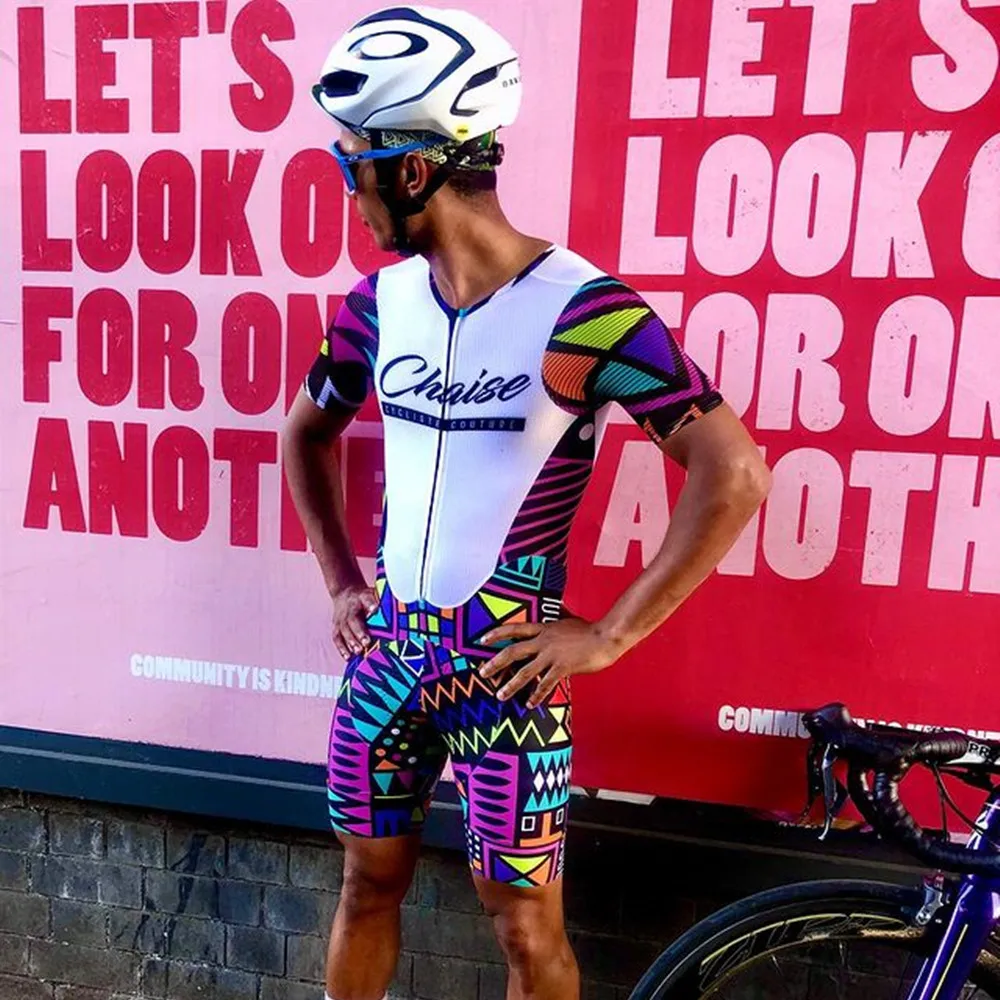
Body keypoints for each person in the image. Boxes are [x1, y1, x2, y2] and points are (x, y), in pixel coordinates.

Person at [283, 6, 771, 999]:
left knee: (523, 926)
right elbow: (305, 433)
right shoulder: (378, 305)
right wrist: (340, 581)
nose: (347, 192)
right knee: (364, 886)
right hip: (387, 660)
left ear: (412, 170)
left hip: (506, 673)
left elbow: (733, 471)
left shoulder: (587, 312)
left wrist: (611, 636)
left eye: (351, 165)